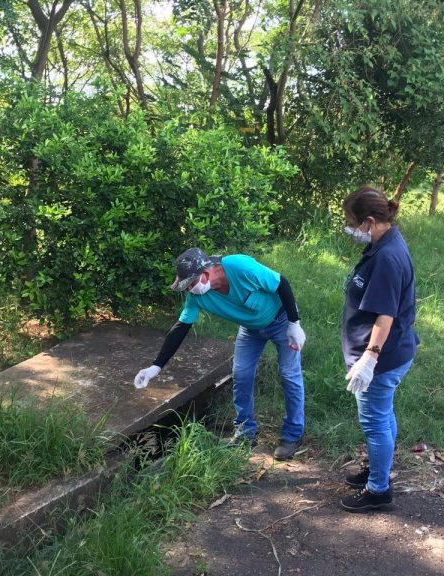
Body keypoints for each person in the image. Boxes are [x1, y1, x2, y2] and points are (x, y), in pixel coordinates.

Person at [133, 248, 307, 460]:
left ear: (205, 274)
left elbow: (281, 282)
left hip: (281, 321)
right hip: (250, 328)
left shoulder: (239, 266)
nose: (189, 290)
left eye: (190, 284)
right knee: (241, 374)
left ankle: (292, 435)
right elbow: (180, 328)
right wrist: (156, 366)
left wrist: (294, 323)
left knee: (289, 374)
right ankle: (245, 433)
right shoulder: (197, 298)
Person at [339, 186, 419, 513]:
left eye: (353, 222)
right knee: (383, 417)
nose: (351, 228)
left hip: (382, 359)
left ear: (370, 221)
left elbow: (385, 316)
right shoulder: (384, 244)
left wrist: (369, 359)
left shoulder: (386, 257)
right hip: (393, 352)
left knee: (374, 422)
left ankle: (378, 490)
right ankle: (379, 469)